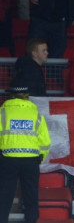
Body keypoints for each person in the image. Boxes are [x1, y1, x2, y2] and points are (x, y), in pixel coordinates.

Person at [0, 85, 51, 223]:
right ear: (27, 96)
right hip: (31, 161)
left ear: (11, 96)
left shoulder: (2, 113)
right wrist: (40, 157)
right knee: (31, 196)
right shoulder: (36, 115)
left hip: (8, 160)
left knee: (4, 196)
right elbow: (45, 142)